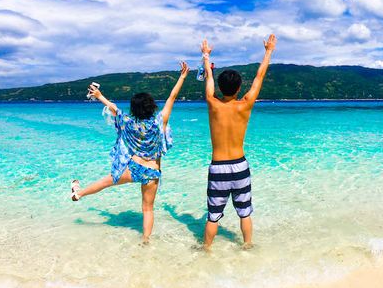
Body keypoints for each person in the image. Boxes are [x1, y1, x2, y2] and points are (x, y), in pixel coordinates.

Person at [70, 62, 189, 244]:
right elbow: (172, 97)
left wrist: (99, 96)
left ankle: (79, 194)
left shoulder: (129, 122)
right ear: (152, 107)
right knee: (147, 209)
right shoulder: (159, 122)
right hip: (152, 172)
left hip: (134, 168)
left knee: (106, 181)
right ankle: (145, 241)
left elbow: (114, 109)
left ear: (134, 109)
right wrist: (182, 77)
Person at [200, 34, 277, 250]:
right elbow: (260, 77)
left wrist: (206, 56)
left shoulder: (213, 104)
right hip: (240, 165)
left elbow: (208, 78)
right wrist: (269, 51)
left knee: (213, 216)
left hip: (218, 167)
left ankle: (206, 249)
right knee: (245, 212)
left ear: (220, 87)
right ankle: (247, 246)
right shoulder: (245, 105)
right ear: (239, 87)